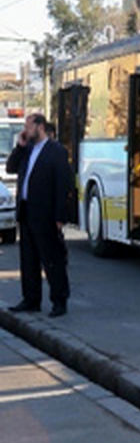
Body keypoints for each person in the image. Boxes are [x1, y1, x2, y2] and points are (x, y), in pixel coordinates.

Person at [5, 113, 73, 317]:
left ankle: (59, 301)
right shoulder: (27, 150)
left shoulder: (56, 151)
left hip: (46, 213)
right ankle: (31, 299)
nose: (25, 130)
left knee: (52, 259)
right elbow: (10, 168)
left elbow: (63, 184)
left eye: (28, 126)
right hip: (26, 211)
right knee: (29, 260)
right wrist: (19, 146)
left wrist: (60, 216)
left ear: (40, 126)